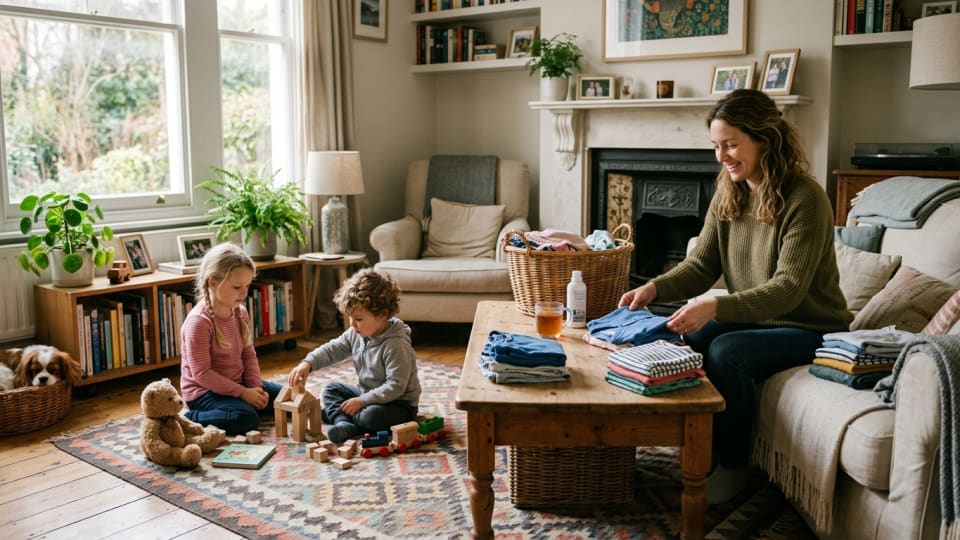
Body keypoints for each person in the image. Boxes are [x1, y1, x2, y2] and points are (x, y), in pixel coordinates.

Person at [618, 89, 852, 504]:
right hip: (761, 317)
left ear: (765, 139)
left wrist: (715, 305)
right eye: (716, 146)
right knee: (690, 337)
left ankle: (734, 466)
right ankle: (699, 450)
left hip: (810, 326)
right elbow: (701, 266)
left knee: (728, 351)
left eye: (730, 145)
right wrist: (654, 287)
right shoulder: (731, 191)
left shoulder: (806, 199)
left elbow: (787, 290)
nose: (721, 156)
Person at [287, 268, 421, 444]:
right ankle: (343, 421)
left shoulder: (396, 345)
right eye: (350, 318)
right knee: (331, 389)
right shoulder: (357, 333)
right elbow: (333, 349)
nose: (352, 324)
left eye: (358, 319)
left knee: (370, 417)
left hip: (398, 404)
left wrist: (362, 401)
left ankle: (346, 420)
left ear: (383, 315)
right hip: (367, 394)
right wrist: (308, 363)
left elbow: (395, 387)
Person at [180, 242, 282, 435]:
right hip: (204, 392)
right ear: (212, 283)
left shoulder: (240, 312)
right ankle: (189, 418)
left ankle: (331, 413)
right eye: (237, 287)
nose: (244, 293)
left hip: (237, 382)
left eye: (247, 286)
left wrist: (254, 387)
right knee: (246, 418)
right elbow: (202, 374)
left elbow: (248, 354)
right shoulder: (198, 322)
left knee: (286, 396)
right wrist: (243, 393)